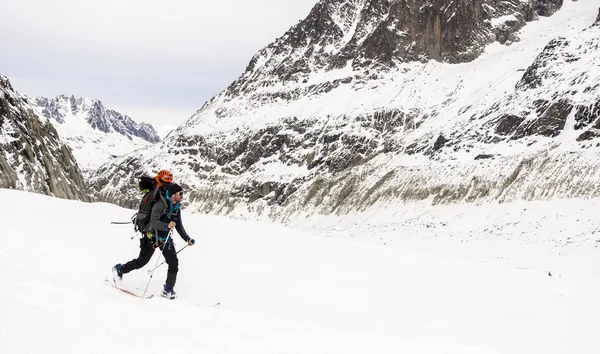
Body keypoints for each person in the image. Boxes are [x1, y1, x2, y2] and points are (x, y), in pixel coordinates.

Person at [113, 183, 194, 299]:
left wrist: (187, 238)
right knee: (142, 262)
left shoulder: (176, 207)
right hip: (151, 237)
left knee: (173, 262)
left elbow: (179, 225)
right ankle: (119, 269)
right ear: (173, 194)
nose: (182, 195)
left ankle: (168, 289)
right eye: (180, 193)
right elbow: (153, 222)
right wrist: (167, 226)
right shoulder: (160, 204)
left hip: (165, 239)